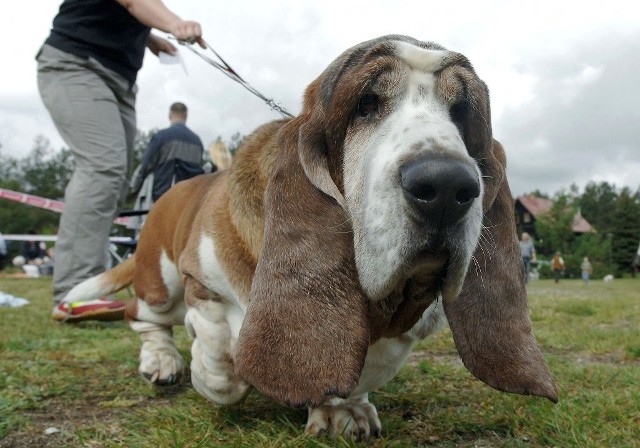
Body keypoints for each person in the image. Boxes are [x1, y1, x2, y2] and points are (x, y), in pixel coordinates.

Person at [37, 0, 205, 322]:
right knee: (103, 168)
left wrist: (152, 39)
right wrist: (174, 22)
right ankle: (72, 292)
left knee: (115, 180)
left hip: (119, 79)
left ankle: (91, 285)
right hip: (76, 64)